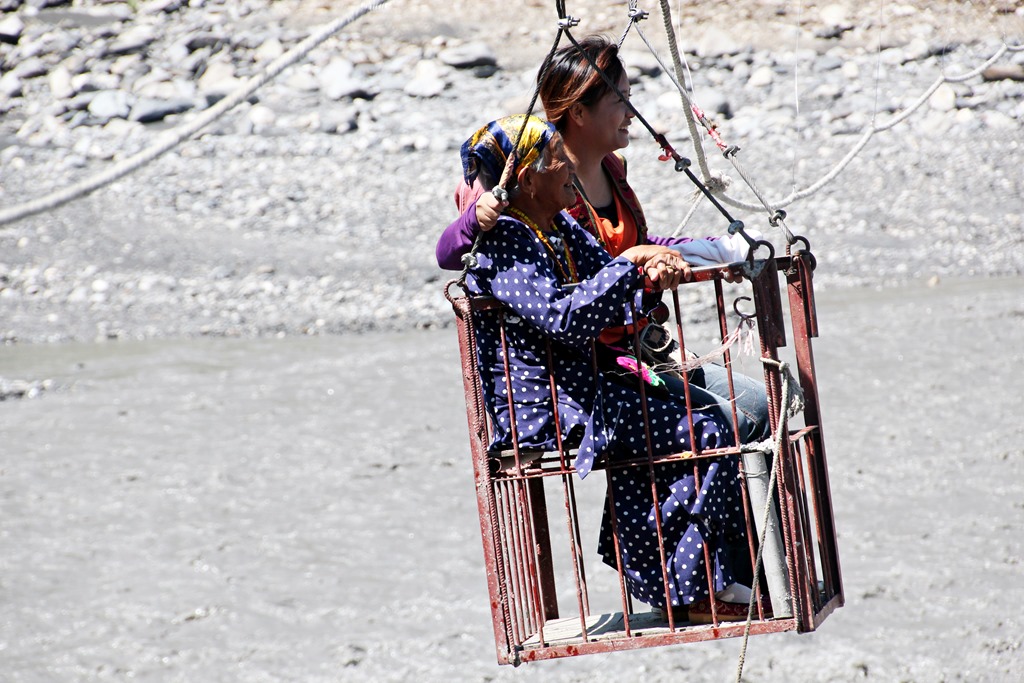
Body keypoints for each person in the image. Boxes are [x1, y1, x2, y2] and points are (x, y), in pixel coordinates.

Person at [460, 114, 754, 621]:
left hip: (586, 387)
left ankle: (681, 574)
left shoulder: (557, 225)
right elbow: (563, 318)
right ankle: (692, 589)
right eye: (558, 161)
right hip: (547, 406)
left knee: (697, 422)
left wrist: (653, 266)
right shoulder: (506, 239)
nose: (570, 171)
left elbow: (608, 273)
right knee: (704, 433)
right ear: (527, 178)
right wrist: (630, 263)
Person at [437, 35, 770, 446]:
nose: (632, 112)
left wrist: (709, 251)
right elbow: (453, 252)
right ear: (578, 111)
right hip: (596, 364)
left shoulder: (611, 170)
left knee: (761, 407)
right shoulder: (538, 196)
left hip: (640, 344)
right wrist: (475, 217)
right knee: (726, 425)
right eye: (620, 100)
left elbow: (631, 247)